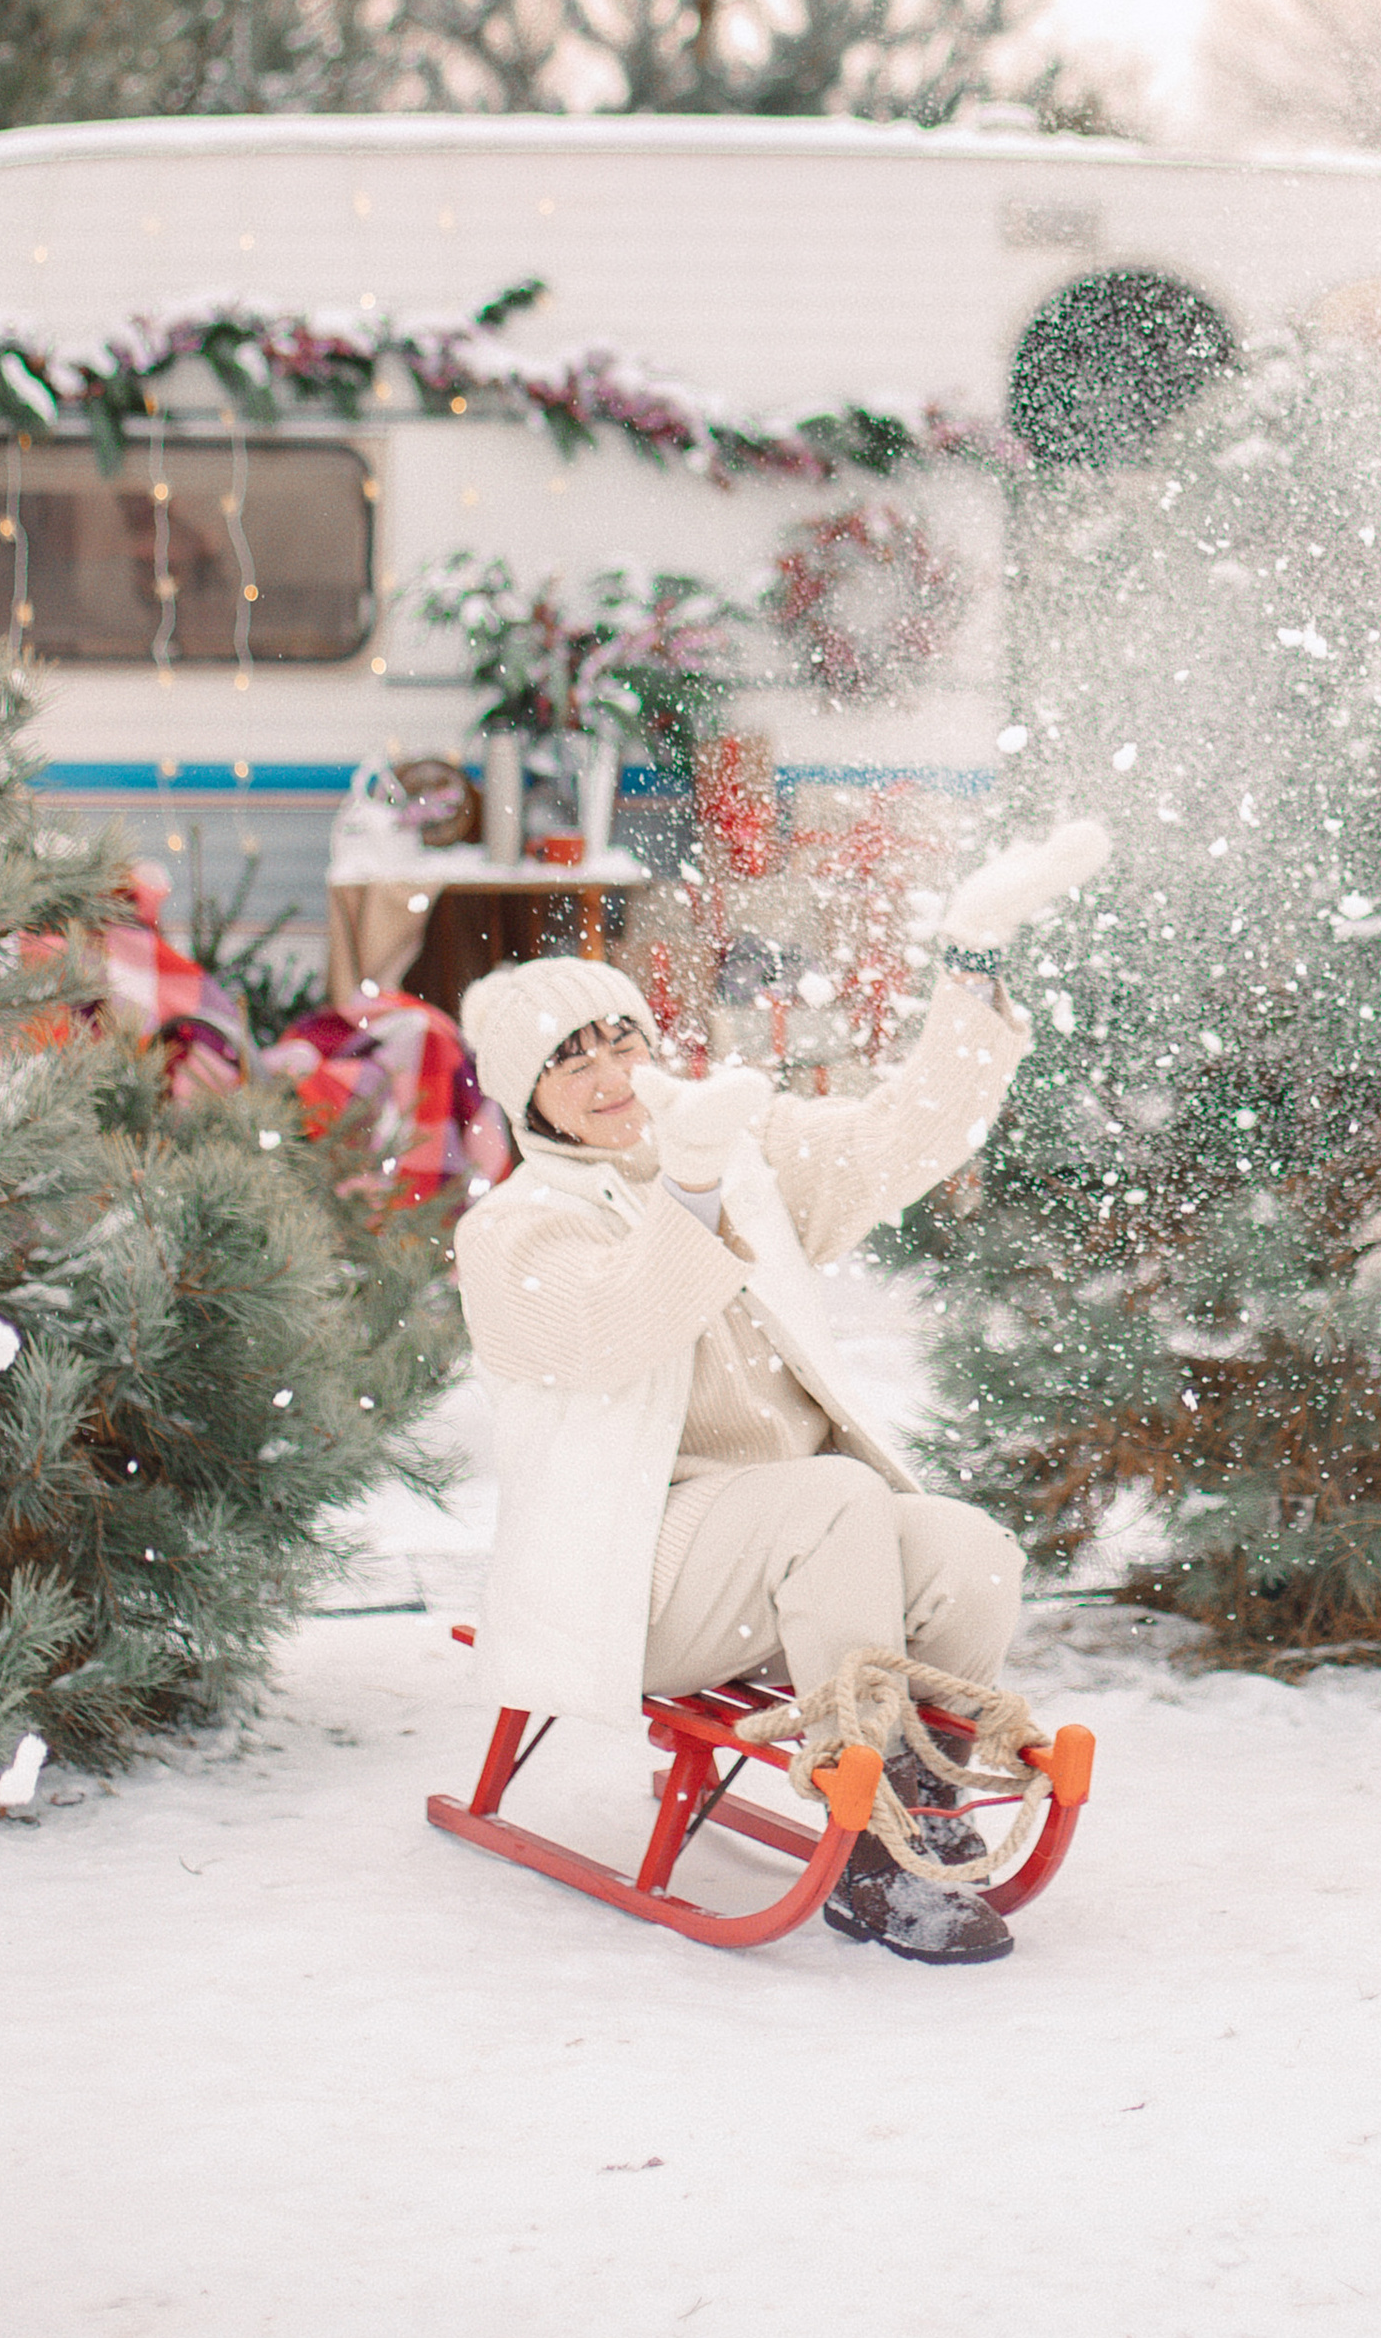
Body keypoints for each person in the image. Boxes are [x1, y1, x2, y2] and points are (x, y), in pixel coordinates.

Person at [452, 817, 1108, 1968]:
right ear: (528, 1098)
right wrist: (689, 1187)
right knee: (832, 1499)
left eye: (623, 1040)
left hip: (806, 1552)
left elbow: (905, 1137)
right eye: (572, 1060)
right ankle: (876, 1845)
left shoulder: (733, 1153)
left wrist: (971, 956)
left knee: (967, 1548)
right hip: (637, 1574)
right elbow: (614, 1324)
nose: (611, 1076)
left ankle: (928, 1794)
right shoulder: (510, 1230)